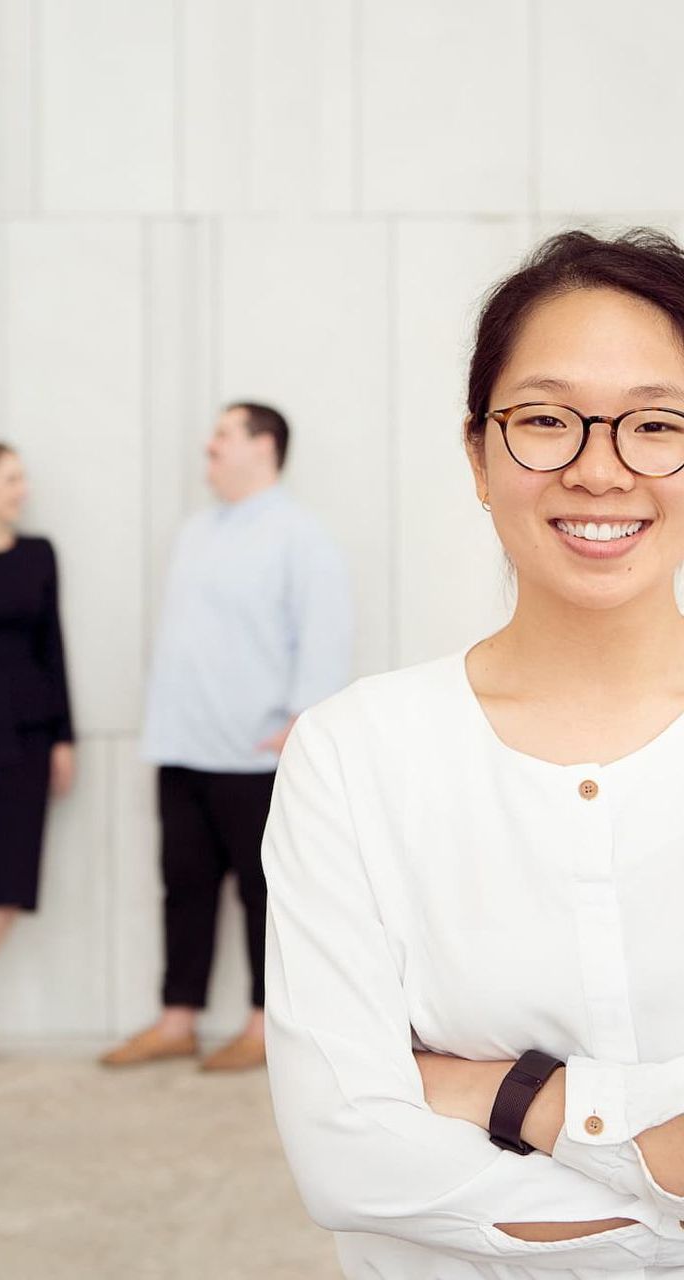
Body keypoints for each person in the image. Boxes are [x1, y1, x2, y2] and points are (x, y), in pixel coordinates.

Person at [263, 230, 684, 1278]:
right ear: (477, 454)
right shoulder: (353, 756)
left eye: (656, 424)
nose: (600, 467)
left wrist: (513, 1094)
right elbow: (345, 1155)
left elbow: (402, 1140)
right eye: (546, 419)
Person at [102, 402, 351, 1071]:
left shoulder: (300, 535)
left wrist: (300, 720)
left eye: (222, 434)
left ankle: (263, 1025)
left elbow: (324, 633)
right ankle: (176, 1019)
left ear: (263, 446)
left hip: (256, 752)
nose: (207, 445)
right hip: (183, 744)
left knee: (261, 892)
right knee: (182, 884)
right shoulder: (197, 531)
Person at [0, 443, 75, 1067]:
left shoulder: (37, 555)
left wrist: (64, 736)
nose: (22, 489)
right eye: (10, 479)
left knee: (6, 881)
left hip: (23, 735)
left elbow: (52, 645)